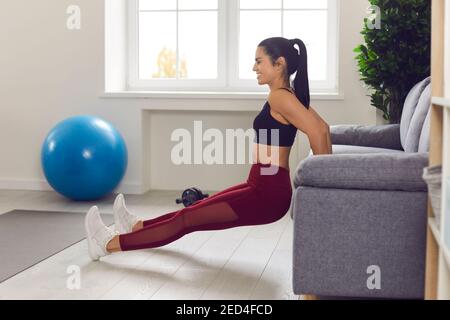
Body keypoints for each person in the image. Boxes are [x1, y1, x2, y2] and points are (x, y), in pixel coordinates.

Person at [85, 37, 332, 261]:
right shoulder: (285, 96)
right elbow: (321, 128)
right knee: (192, 211)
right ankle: (135, 226)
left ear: (279, 64)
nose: (253, 68)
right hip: (261, 184)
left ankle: (107, 244)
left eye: (259, 61)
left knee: (186, 220)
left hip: (267, 194)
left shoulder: (280, 97)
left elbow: (319, 131)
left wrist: (324, 188)